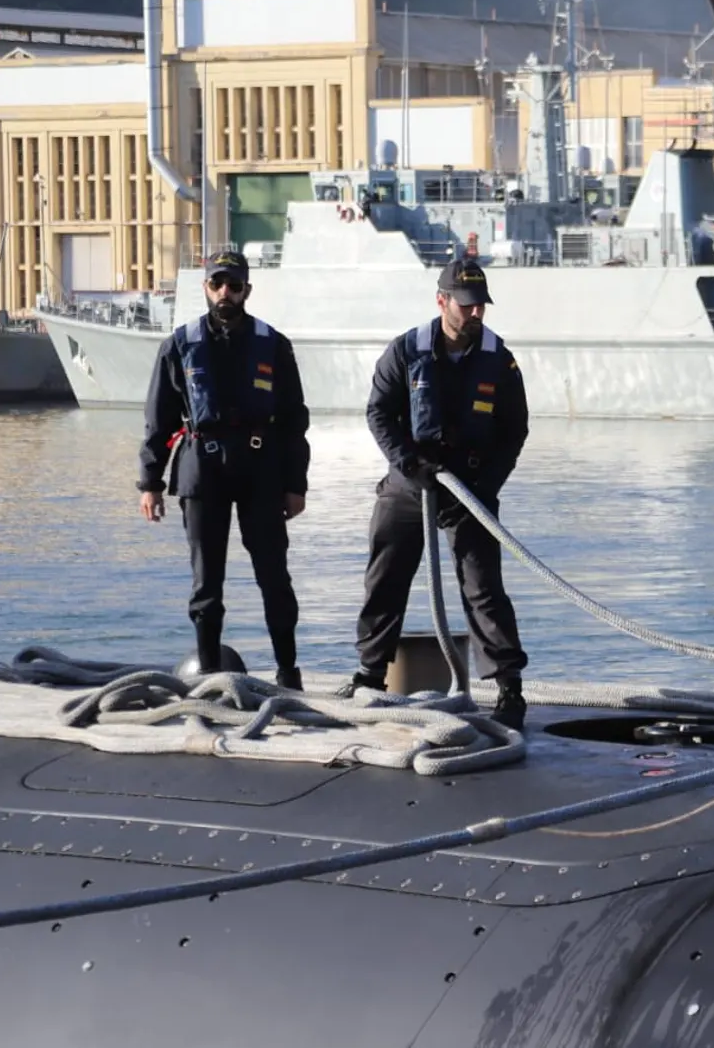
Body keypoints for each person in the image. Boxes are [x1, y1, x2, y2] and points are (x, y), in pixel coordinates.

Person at [343, 259, 532, 730]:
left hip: (470, 488)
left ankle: (508, 688)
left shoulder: (499, 359)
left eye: (480, 307)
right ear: (442, 301)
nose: (474, 315)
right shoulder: (406, 352)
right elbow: (379, 414)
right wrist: (409, 463)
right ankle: (370, 675)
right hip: (411, 483)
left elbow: (514, 429)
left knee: (483, 588)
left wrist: (486, 485)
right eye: (465, 306)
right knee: (385, 578)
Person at [136, 250, 309, 688]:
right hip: (201, 467)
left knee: (274, 576)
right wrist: (150, 483)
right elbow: (159, 418)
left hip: (260, 468)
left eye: (234, 285)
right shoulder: (179, 344)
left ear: (247, 290)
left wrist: (295, 484)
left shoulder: (274, 344)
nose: (225, 293)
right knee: (206, 583)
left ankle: (288, 672)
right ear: (206, 288)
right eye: (218, 284)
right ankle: (210, 674)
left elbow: (293, 422)